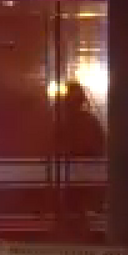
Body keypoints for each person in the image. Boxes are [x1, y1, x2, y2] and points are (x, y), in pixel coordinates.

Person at [54, 81, 106, 242]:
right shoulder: (66, 122)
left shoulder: (85, 121)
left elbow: (100, 146)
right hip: (75, 177)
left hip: (82, 177)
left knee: (77, 209)